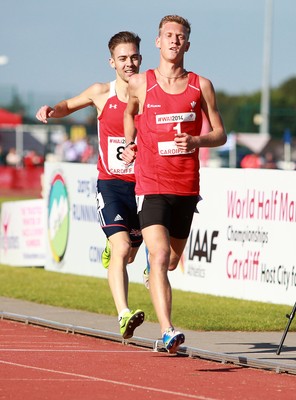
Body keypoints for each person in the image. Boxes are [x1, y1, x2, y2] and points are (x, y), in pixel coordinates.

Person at [122, 15, 227, 353]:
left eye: (180, 36)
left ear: (187, 44)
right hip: (151, 183)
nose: (174, 41)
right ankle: (168, 330)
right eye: (168, 35)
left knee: (167, 263)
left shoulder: (201, 85)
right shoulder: (141, 83)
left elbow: (220, 134)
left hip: (186, 186)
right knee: (159, 252)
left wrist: (196, 142)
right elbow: (129, 113)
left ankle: (152, 274)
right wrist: (130, 142)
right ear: (158, 42)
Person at [36, 31, 145, 340]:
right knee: (122, 247)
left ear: (141, 58)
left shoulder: (151, 91)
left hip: (143, 185)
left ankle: (119, 253)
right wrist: (51, 110)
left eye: (134, 57)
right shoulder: (101, 92)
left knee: (130, 253)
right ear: (112, 62)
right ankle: (124, 314)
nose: (129, 63)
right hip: (111, 183)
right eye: (122, 58)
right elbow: (68, 105)